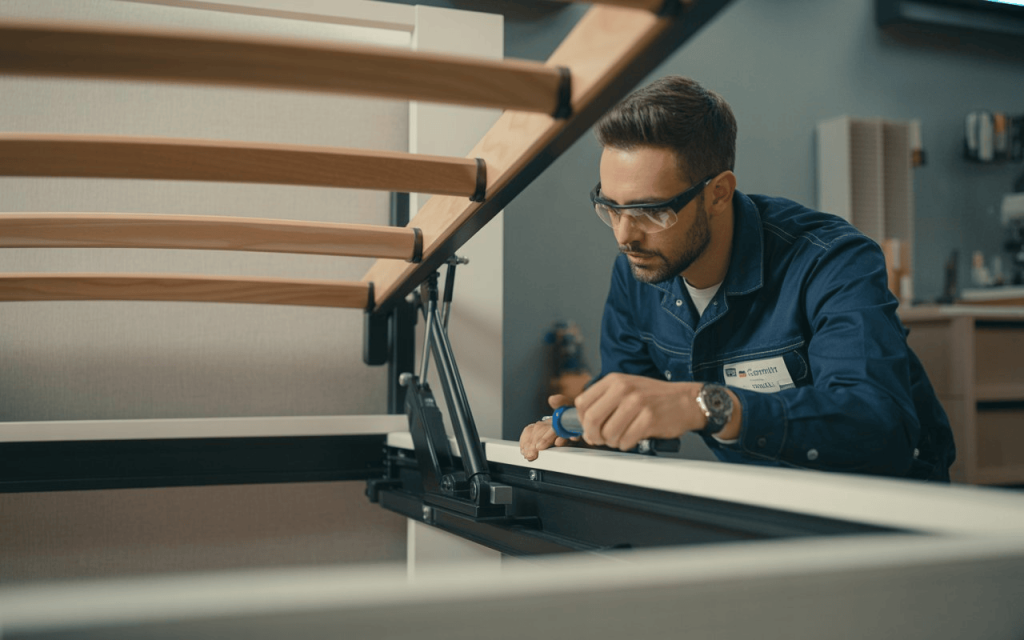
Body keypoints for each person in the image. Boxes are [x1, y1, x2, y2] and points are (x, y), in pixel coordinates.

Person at [519, 76, 955, 481]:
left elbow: (876, 424)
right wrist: (593, 425)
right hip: (760, 497)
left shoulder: (832, 259)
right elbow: (638, 404)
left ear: (718, 193)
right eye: (611, 207)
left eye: (651, 211)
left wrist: (709, 405)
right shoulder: (639, 272)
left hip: (889, 501)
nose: (624, 235)